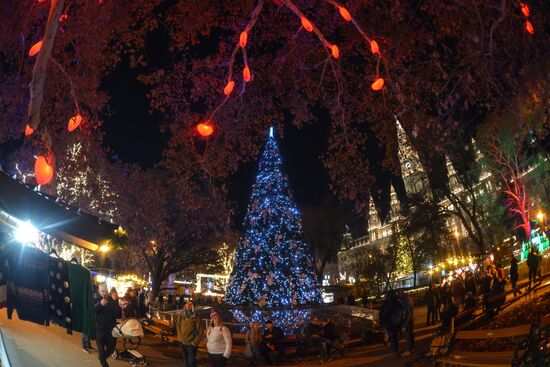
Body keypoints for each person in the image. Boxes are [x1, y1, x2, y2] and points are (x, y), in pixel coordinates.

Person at [95, 284, 120, 367]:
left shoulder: (111, 300)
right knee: (101, 350)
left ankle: (102, 358)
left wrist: (121, 306)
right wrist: (100, 304)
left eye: (105, 291)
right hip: (100, 329)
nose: (104, 293)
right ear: (99, 291)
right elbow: (92, 310)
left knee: (111, 349)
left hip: (111, 330)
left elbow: (117, 313)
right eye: (102, 291)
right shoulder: (95, 299)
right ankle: (104, 364)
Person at [175, 300, 203, 367]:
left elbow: (201, 332)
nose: (188, 305)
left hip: (191, 344)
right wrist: (179, 337)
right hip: (183, 342)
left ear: (193, 307)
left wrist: (194, 343)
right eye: (187, 304)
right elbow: (178, 326)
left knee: (191, 362)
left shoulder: (196, 317)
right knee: (186, 362)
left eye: (190, 304)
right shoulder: (181, 315)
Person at [379, 290, 403, 358]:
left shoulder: (386, 303)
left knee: (392, 337)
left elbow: (382, 313)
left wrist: (382, 322)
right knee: (395, 337)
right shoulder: (398, 302)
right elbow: (402, 313)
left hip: (389, 323)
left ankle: (394, 351)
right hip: (396, 323)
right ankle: (396, 351)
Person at [398, 290, 415, 356]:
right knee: (411, 334)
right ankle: (412, 348)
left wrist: (404, 325)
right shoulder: (408, 298)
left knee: (408, 335)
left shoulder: (405, 301)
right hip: (411, 319)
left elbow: (407, 314)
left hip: (408, 320)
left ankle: (409, 350)